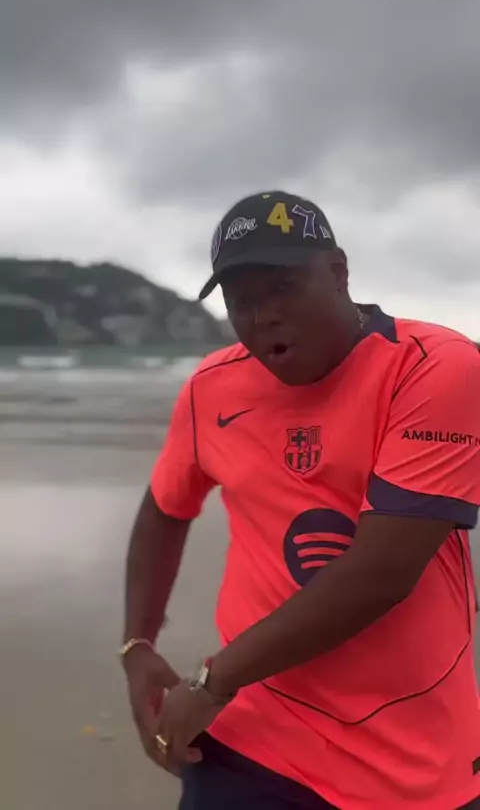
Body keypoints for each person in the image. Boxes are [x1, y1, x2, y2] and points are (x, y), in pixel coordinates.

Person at [121, 190, 480, 809]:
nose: (264, 316)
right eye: (242, 301)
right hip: (252, 734)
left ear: (339, 272)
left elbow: (381, 574)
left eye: (283, 287)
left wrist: (210, 683)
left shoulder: (433, 368)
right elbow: (163, 509)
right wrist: (138, 645)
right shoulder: (212, 388)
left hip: (411, 759)